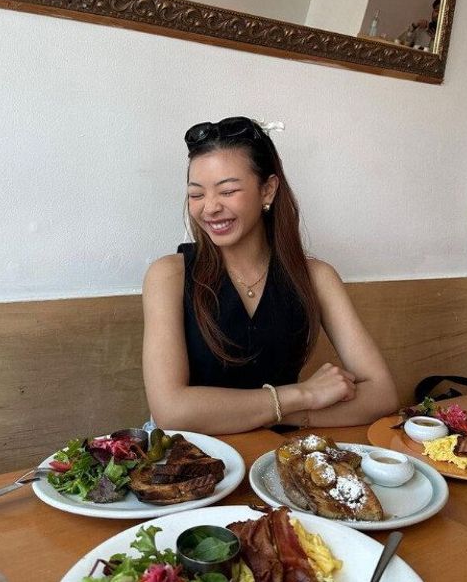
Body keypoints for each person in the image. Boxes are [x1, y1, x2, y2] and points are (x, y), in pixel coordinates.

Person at [141, 117, 398, 434]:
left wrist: (280, 412)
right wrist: (303, 395)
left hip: (277, 458)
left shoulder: (317, 277)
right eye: (196, 194)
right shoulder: (169, 275)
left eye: (228, 190)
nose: (209, 208)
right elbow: (171, 411)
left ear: (268, 189)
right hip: (189, 462)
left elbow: (382, 394)